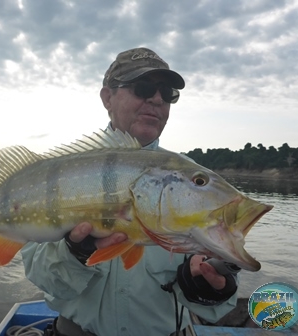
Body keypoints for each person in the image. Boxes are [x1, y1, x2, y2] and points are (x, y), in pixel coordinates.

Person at [20, 47, 239, 336]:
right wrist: (75, 253)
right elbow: (46, 280)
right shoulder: (58, 176)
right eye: (143, 87)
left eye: (168, 92)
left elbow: (215, 294)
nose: (157, 99)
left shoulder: (196, 181)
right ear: (107, 97)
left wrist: (210, 287)